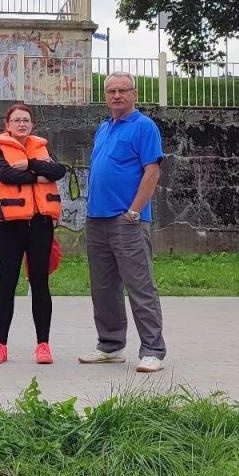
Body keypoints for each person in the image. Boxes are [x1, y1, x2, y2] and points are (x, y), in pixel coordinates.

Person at [78, 72, 167, 373]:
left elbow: (152, 172)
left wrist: (134, 212)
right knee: (103, 287)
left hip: (127, 220)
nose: (116, 95)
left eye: (122, 91)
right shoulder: (104, 128)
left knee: (139, 286)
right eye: (111, 91)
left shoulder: (144, 126)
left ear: (134, 94)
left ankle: (153, 350)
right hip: (97, 219)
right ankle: (110, 345)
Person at [0, 103, 68, 365]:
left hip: (40, 224)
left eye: (26, 120)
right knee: (6, 283)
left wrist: (29, 164)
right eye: (16, 120)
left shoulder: (40, 148)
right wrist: (37, 176)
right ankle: (0, 345)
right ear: (7, 125)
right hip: (11, 226)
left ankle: (43, 345)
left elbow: (58, 170)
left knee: (40, 283)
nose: (21, 124)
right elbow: (4, 175)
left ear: (32, 125)